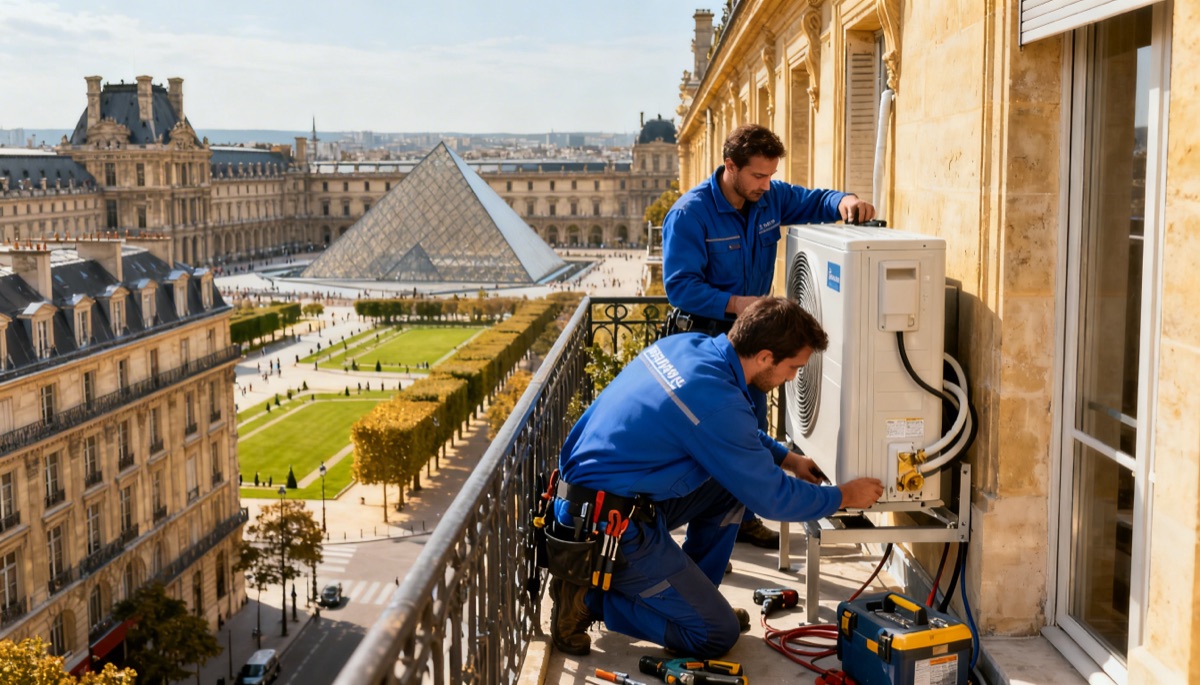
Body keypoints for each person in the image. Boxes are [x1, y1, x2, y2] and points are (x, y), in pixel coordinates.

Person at [545, 297, 884, 658]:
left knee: (728, 488)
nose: (792, 378)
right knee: (714, 635)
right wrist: (844, 496)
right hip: (609, 527)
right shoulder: (715, 400)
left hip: (596, 502)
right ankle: (589, 599)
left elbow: (727, 431)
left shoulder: (689, 347)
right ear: (765, 357)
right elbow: (772, 497)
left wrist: (787, 458)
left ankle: (693, 599)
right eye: (793, 367)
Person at [660, 123, 877, 549]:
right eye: (758, 176)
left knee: (752, 428)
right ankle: (692, 515)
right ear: (730, 167)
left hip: (756, 344)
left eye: (770, 176)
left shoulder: (770, 199)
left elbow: (814, 200)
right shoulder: (689, 214)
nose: (765, 184)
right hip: (708, 343)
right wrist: (740, 304)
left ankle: (740, 517)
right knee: (712, 440)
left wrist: (846, 200)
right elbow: (680, 287)